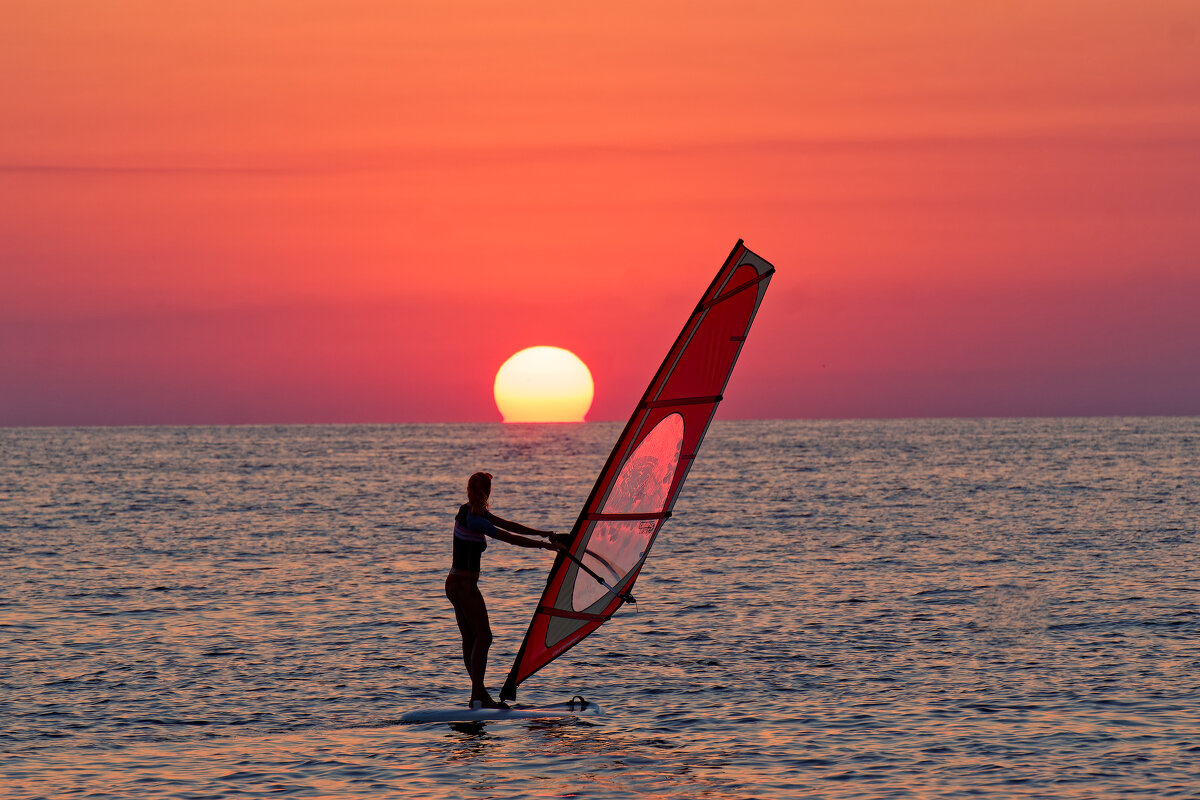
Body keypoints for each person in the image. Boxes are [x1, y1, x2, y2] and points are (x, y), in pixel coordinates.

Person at [446, 471, 561, 709]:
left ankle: (478, 695)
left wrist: (542, 533)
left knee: (471, 638)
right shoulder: (475, 519)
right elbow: (509, 537)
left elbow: (508, 524)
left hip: (455, 583)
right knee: (484, 637)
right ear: (487, 492)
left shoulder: (470, 510)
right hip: (464, 586)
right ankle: (478, 695)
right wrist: (544, 546)